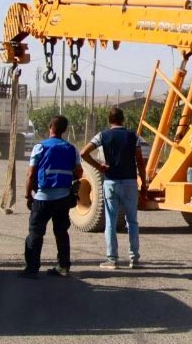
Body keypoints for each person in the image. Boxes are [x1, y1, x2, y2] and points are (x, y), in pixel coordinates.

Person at [80, 107, 148, 269]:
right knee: (132, 221)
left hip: (110, 182)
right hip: (130, 182)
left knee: (110, 221)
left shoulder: (102, 136)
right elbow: (140, 162)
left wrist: (99, 166)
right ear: (123, 119)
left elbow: (83, 152)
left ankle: (112, 259)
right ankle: (134, 259)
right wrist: (144, 183)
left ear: (109, 120)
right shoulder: (133, 137)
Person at [21, 115, 83, 279]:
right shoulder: (71, 148)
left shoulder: (40, 147)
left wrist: (28, 195)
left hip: (42, 198)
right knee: (61, 232)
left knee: (35, 233)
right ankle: (63, 267)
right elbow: (79, 172)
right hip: (63, 198)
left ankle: (32, 269)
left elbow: (30, 174)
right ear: (64, 130)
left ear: (50, 127)